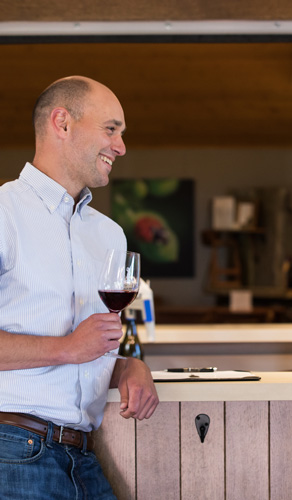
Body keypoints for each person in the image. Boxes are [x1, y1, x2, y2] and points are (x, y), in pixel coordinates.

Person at [0, 76, 159, 499]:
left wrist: (125, 366)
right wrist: (67, 347)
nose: (121, 146)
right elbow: (76, 346)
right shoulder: (3, 214)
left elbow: (94, 349)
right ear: (61, 123)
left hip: (83, 455)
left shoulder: (109, 235)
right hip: (12, 449)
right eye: (111, 129)